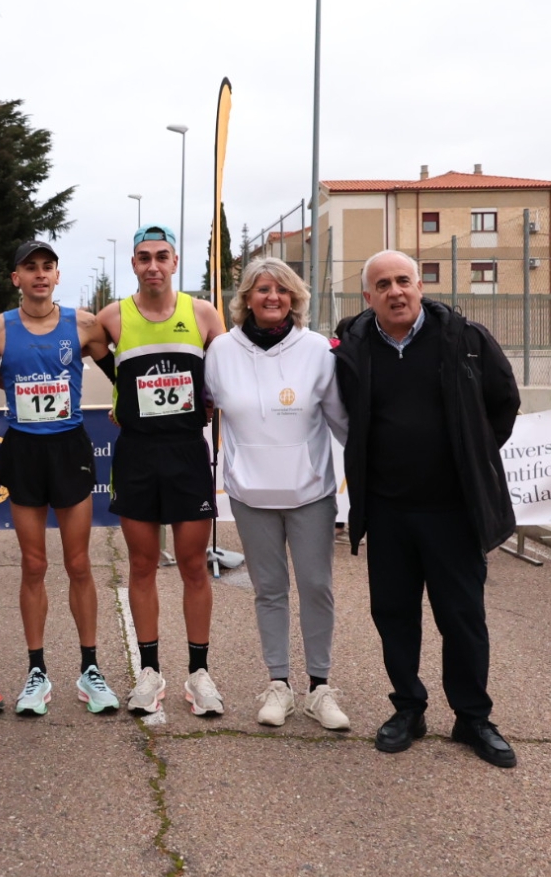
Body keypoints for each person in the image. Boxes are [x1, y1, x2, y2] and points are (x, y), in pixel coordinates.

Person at [333, 249, 521, 768]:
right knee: (394, 615)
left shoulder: (466, 339)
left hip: (453, 511)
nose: (395, 292)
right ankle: (408, 709)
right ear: (367, 296)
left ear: (419, 286)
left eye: (403, 281)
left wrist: (472, 453)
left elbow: (504, 402)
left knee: (462, 618)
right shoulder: (353, 347)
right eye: (383, 285)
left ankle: (473, 717)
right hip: (388, 512)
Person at [205, 257, 351, 731]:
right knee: (269, 591)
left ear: (295, 298)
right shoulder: (221, 350)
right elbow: (203, 410)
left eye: (283, 290)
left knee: (316, 587)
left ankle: (320, 688)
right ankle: (279, 685)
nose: (273, 297)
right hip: (250, 494)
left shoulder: (317, 350)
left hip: (310, 492)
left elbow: (341, 420)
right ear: (246, 297)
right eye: (263, 289)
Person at [0, 239, 121, 716]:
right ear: (16, 278)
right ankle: (36, 671)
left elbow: (121, 374)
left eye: (47, 266)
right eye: (30, 267)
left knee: (79, 563)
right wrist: (19, 381)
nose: (40, 274)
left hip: (69, 448)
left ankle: (90, 669)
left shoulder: (84, 325)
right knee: (34, 564)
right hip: (23, 450)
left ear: (58, 275)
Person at [95, 225, 226, 717]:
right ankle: (149, 672)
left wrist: (212, 400)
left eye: (162, 256)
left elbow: (226, 372)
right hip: (137, 455)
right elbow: (93, 356)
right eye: (144, 257)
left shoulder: (203, 313)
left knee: (193, 565)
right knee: (142, 565)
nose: (153, 265)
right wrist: (120, 396)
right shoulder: (112, 317)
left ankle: (199, 673)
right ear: (133, 264)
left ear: (175, 262)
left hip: (187, 453)